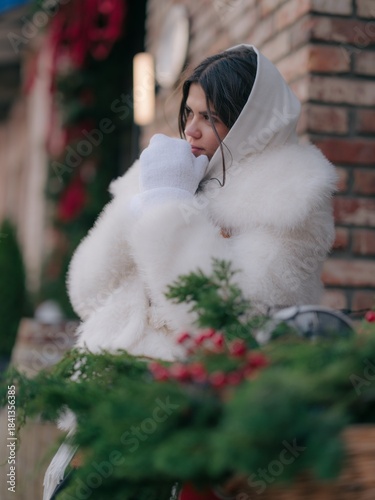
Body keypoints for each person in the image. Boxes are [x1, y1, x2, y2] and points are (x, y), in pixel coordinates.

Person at [44, 44, 337, 498]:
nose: (191, 131)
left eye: (211, 118)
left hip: (193, 421)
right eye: (189, 113)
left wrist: (166, 210)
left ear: (251, 124)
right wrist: (140, 201)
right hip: (108, 399)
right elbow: (87, 290)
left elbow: (217, 319)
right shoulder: (168, 172)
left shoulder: (291, 203)